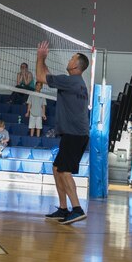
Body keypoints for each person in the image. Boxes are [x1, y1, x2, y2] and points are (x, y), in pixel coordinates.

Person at [36, 41, 89, 225]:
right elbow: (48, 76)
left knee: (65, 170)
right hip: (76, 134)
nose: (69, 60)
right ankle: (63, 209)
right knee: (57, 168)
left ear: (75, 65)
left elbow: (40, 77)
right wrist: (44, 62)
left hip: (74, 134)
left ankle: (77, 209)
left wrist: (40, 57)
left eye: (71, 58)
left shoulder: (71, 81)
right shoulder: (78, 83)